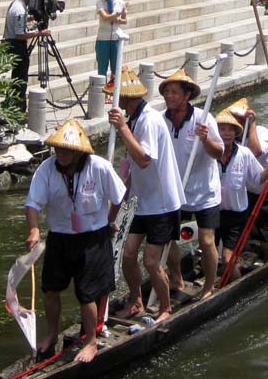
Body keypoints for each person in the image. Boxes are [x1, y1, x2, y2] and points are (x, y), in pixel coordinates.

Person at [25, 119, 126, 363]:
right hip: (60, 237)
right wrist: (35, 229)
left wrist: (109, 220)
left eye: (66, 150)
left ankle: (91, 340)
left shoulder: (99, 167)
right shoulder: (47, 169)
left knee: (87, 293)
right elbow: (33, 203)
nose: (61, 154)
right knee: (51, 288)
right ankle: (51, 333)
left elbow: (118, 196)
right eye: (58, 149)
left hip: (92, 238)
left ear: (78, 151)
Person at [109, 66, 184, 323]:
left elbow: (143, 159)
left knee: (151, 261)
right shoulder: (133, 121)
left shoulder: (149, 120)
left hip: (163, 204)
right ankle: (137, 300)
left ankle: (165, 307)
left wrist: (122, 130)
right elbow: (130, 172)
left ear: (126, 98)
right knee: (128, 255)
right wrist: (114, 210)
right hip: (142, 202)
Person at [159, 70, 223, 301]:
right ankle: (177, 278)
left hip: (205, 191)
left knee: (206, 241)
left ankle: (208, 286)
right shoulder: (161, 120)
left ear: (187, 95)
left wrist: (206, 139)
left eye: (174, 92)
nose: (169, 96)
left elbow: (219, 152)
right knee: (167, 238)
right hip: (176, 190)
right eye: (166, 92)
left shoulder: (203, 119)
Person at [213, 108, 268, 277]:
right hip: (213, 212)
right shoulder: (209, 153)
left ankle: (234, 282)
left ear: (235, 133)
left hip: (236, 215)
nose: (225, 134)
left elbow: (257, 179)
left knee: (227, 259)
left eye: (230, 130)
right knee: (208, 252)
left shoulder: (244, 153)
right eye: (221, 129)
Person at [3, 0, 51, 111]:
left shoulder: (17, 3)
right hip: (16, 46)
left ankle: (15, 107)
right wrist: (41, 33)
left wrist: (28, 19)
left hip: (11, 42)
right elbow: (20, 35)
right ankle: (19, 109)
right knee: (20, 79)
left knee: (17, 77)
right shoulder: (20, 10)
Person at [95, 0, 128, 83]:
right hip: (102, 39)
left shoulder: (120, 3)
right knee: (102, 68)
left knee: (116, 68)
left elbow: (124, 20)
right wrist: (116, 16)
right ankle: (102, 93)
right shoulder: (100, 3)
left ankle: (113, 93)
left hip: (116, 38)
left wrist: (117, 18)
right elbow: (105, 17)